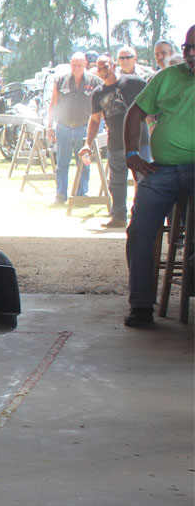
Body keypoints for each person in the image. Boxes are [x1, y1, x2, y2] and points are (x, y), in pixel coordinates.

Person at [121, 25, 194, 328]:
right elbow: (135, 112)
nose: (192, 55)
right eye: (188, 49)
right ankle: (141, 305)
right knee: (139, 230)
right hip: (161, 169)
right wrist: (132, 154)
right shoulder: (168, 76)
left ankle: (191, 279)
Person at [81, 54, 146, 228]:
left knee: (143, 180)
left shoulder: (133, 82)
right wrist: (87, 143)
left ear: (114, 65)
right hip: (116, 143)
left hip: (139, 141)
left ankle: (142, 217)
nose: (102, 71)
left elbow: (152, 100)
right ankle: (118, 216)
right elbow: (95, 120)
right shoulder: (98, 93)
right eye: (99, 68)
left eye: (106, 67)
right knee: (116, 182)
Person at [45, 51, 102, 204]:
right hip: (63, 128)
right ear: (70, 64)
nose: (77, 68)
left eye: (80, 65)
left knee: (84, 163)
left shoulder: (95, 82)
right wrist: (49, 127)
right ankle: (60, 196)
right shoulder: (60, 80)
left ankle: (81, 196)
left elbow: (101, 106)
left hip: (84, 130)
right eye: (74, 65)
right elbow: (53, 105)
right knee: (62, 164)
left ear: (85, 64)